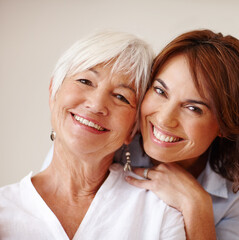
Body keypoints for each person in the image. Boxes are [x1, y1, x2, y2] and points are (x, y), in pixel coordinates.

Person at [0, 31, 185, 240]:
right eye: (85, 81)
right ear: (54, 92)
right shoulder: (4, 209)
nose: (97, 105)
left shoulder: (159, 212)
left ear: (132, 129)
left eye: (121, 97)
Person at [123, 29, 239, 240]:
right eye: (160, 91)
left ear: (225, 125)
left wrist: (196, 206)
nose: (165, 119)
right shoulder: (114, 142)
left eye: (193, 108)